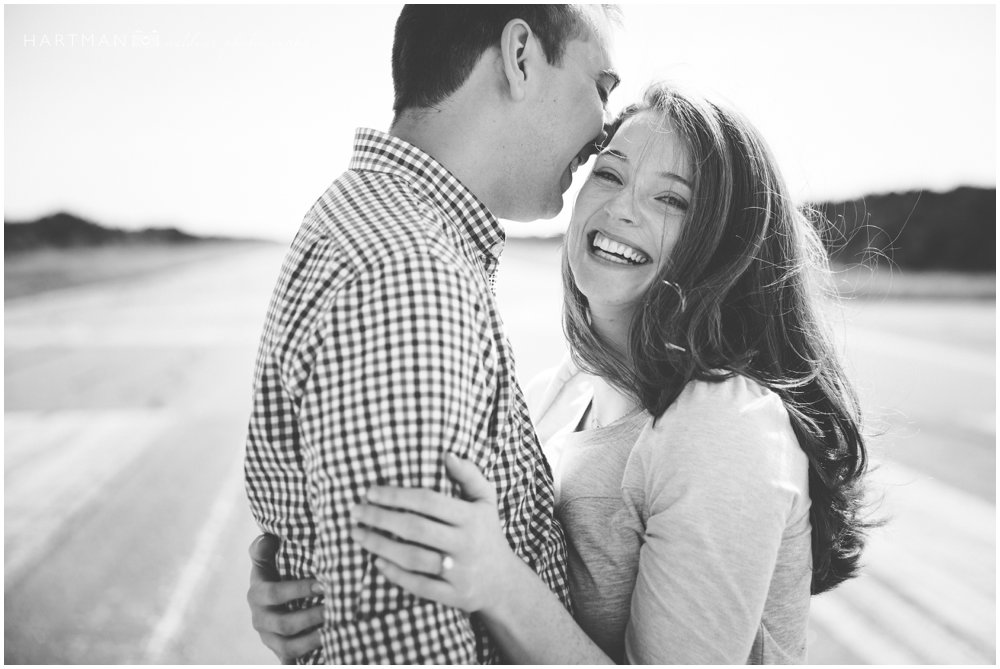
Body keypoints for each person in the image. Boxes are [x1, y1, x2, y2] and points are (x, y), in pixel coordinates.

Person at [249, 83, 876, 663]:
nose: (622, 208)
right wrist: (314, 602)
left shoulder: (724, 423)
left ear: (725, 242)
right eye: (608, 174)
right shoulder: (554, 392)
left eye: (670, 198)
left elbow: (498, 580)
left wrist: (497, 583)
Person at [243, 4, 621, 664]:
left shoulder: (368, 220)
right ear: (521, 57)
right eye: (602, 84)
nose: (606, 125)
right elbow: (400, 644)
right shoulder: (408, 274)